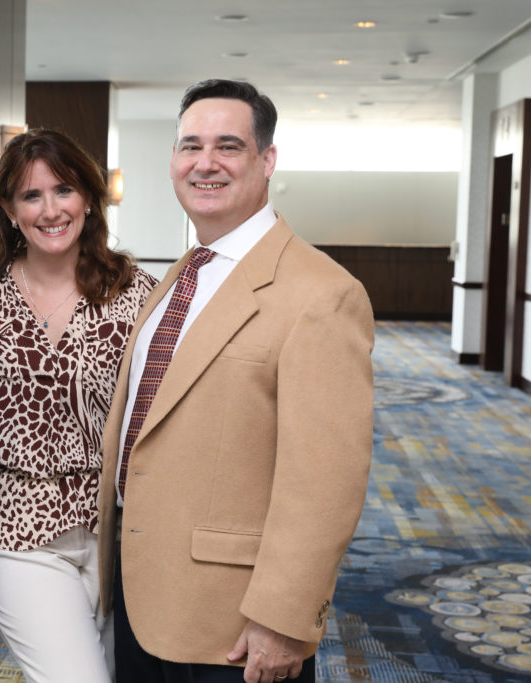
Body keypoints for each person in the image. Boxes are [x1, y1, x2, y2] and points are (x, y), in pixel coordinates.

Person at [98, 79, 374, 683]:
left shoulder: (322, 293)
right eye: (190, 145)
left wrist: (284, 616)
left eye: (228, 145)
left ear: (267, 160)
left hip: (232, 623)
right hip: (144, 588)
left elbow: (326, 481)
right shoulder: (184, 272)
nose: (205, 163)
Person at [0, 128, 157, 682]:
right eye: (31, 195)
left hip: (117, 527)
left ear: (90, 198)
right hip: (18, 527)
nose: (51, 210)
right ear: (7, 209)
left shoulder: (137, 292)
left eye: (64, 190)